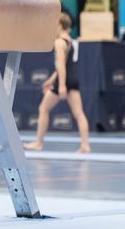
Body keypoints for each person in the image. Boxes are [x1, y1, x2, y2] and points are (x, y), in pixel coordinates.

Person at [24, 13, 91, 153]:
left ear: (60, 25)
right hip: (73, 79)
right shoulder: (71, 41)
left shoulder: (59, 42)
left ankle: (39, 143)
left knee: (43, 109)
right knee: (79, 113)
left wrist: (61, 86)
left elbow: (60, 65)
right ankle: (85, 145)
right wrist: (51, 80)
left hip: (65, 80)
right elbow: (64, 65)